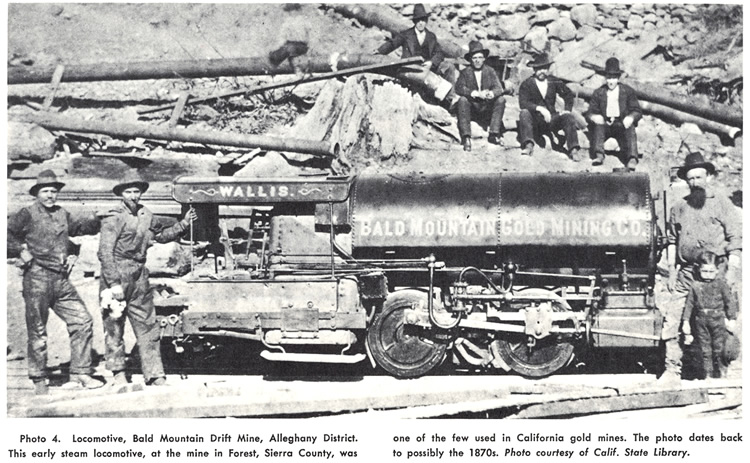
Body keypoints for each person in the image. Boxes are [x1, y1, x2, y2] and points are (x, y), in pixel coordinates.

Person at [7, 170, 105, 394]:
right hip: (37, 278)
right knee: (38, 331)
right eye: (45, 191)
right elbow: (7, 234)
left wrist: (98, 219)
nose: (50, 195)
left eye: (54, 191)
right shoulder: (27, 213)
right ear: (37, 193)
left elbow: (78, 229)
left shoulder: (62, 213)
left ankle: (81, 373)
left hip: (61, 280)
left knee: (82, 321)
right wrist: (22, 252)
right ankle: (39, 379)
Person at [98, 172, 197, 386]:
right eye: (128, 192)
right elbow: (105, 253)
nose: (133, 196)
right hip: (117, 271)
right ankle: (118, 373)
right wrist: (114, 283)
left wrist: (183, 224)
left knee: (148, 324)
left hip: (139, 272)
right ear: (121, 194)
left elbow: (160, 236)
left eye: (136, 191)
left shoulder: (146, 214)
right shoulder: (113, 217)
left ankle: (154, 375)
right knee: (114, 325)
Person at [661, 152, 742, 385]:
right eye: (691, 179)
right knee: (674, 317)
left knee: (719, 322)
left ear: (709, 177)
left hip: (715, 272)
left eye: (699, 177)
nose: (695, 182)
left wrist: (732, 272)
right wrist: (670, 269)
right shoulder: (679, 207)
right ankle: (672, 369)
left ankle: (720, 371)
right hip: (686, 274)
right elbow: (672, 240)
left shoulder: (723, 203)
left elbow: (735, 239)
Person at [681, 251, 738, 379]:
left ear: (717, 270)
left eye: (711, 271)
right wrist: (685, 321)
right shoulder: (695, 286)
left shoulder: (721, 285)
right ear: (699, 270)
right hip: (701, 321)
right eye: (704, 271)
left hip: (718, 320)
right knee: (705, 348)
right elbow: (689, 305)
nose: (708, 275)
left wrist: (732, 318)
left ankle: (722, 373)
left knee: (719, 347)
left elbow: (730, 302)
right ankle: (708, 375)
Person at [517, 53, 581, 160]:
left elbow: (568, 94)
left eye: (545, 68)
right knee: (524, 113)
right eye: (539, 69)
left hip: (551, 118)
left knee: (568, 117)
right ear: (534, 69)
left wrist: (567, 110)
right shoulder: (527, 83)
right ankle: (528, 145)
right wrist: (539, 108)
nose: (542, 72)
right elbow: (523, 103)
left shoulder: (553, 80)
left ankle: (573, 150)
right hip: (535, 121)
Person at [375, 4, 457, 84]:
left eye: (423, 20)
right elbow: (393, 43)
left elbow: (439, 52)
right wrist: (379, 51)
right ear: (414, 21)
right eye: (418, 20)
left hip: (428, 68)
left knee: (449, 67)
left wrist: (431, 62)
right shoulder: (406, 34)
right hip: (411, 68)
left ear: (426, 21)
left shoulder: (431, 36)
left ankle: (449, 96)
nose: (421, 23)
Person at [587, 57, 642, 169]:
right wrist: (594, 117)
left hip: (620, 124)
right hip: (606, 124)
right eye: (609, 78)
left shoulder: (627, 91)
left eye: (614, 78)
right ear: (605, 78)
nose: (611, 81)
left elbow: (637, 110)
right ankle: (599, 155)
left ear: (618, 78)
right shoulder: (599, 92)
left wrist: (631, 117)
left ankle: (632, 158)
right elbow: (589, 112)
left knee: (630, 127)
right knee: (599, 126)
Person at [454, 40, 506, 152]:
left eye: (480, 57)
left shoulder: (490, 71)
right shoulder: (465, 72)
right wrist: (475, 93)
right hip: (472, 108)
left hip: (487, 108)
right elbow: (459, 87)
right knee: (462, 100)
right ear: (471, 60)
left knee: (501, 100)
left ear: (484, 59)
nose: (477, 60)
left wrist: (491, 93)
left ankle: (493, 134)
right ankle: (466, 137)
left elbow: (499, 88)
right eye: (474, 58)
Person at [268, 4, 312, 74]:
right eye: (291, 10)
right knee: (283, 51)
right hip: (295, 46)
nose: (292, 12)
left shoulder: (302, 21)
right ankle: (272, 66)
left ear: (297, 10)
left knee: (288, 50)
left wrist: (309, 47)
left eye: (294, 10)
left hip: (299, 46)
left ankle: (297, 69)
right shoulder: (289, 22)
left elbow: (309, 36)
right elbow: (282, 38)